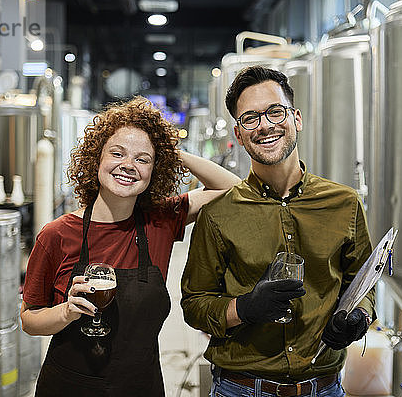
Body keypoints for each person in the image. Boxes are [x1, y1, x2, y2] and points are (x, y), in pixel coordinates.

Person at [20, 96, 241, 396]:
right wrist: (66, 312)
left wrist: (171, 151)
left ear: (154, 171)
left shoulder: (161, 221)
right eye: (117, 153)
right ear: (97, 157)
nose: (128, 165)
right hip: (70, 387)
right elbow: (29, 320)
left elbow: (231, 187)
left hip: (141, 386)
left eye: (142, 159)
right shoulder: (57, 234)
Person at [180, 66, 375, 397]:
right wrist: (244, 308)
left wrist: (359, 316)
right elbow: (195, 304)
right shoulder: (218, 213)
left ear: (296, 119)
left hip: (325, 387)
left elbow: (364, 284)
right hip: (242, 388)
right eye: (250, 118)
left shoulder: (345, 203)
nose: (265, 125)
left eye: (275, 112)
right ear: (239, 135)